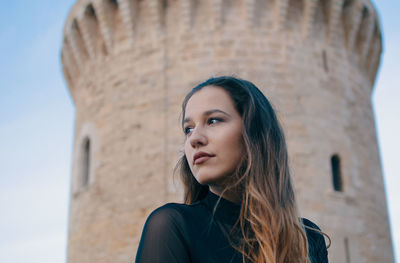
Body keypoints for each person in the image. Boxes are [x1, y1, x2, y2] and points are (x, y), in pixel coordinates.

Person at [135, 76, 330, 263]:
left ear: (254, 133)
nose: (194, 138)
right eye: (188, 129)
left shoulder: (308, 239)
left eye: (213, 120)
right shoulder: (172, 227)